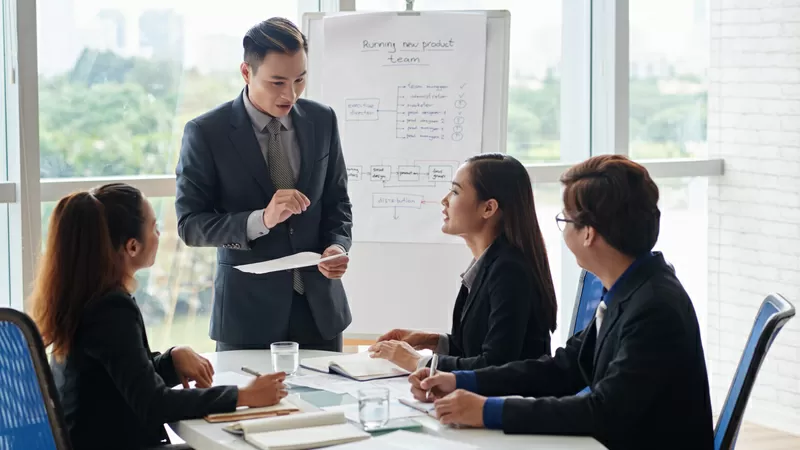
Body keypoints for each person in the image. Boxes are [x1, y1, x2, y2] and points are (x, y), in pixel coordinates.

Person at [407, 155, 714, 450]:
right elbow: (565, 368)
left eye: (565, 220)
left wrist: (488, 411)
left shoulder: (654, 308)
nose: (562, 230)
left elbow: (603, 412)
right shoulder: (631, 287)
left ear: (588, 234)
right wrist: (459, 379)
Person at [33, 184, 288, 450]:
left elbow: (124, 378)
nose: (160, 234)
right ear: (132, 246)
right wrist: (244, 395)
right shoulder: (110, 309)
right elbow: (154, 404)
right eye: (154, 227)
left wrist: (170, 361)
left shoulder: (85, 297)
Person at [175, 17, 352, 352]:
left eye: (300, 79)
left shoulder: (322, 119)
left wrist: (337, 247)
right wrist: (261, 220)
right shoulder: (206, 133)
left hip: (320, 313)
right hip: (247, 318)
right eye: (277, 82)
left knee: (327, 405)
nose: (291, 94)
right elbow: (190, 225)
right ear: (246, 72)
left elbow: (338, 202)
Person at [369, 154, 558, 372]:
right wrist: (429, 340)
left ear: (488, 208)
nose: (445, 199)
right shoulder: (489, 262)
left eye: (456, 191)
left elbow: (494, 366)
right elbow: (474, 348)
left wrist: (418, 362)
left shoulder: (510, 270)